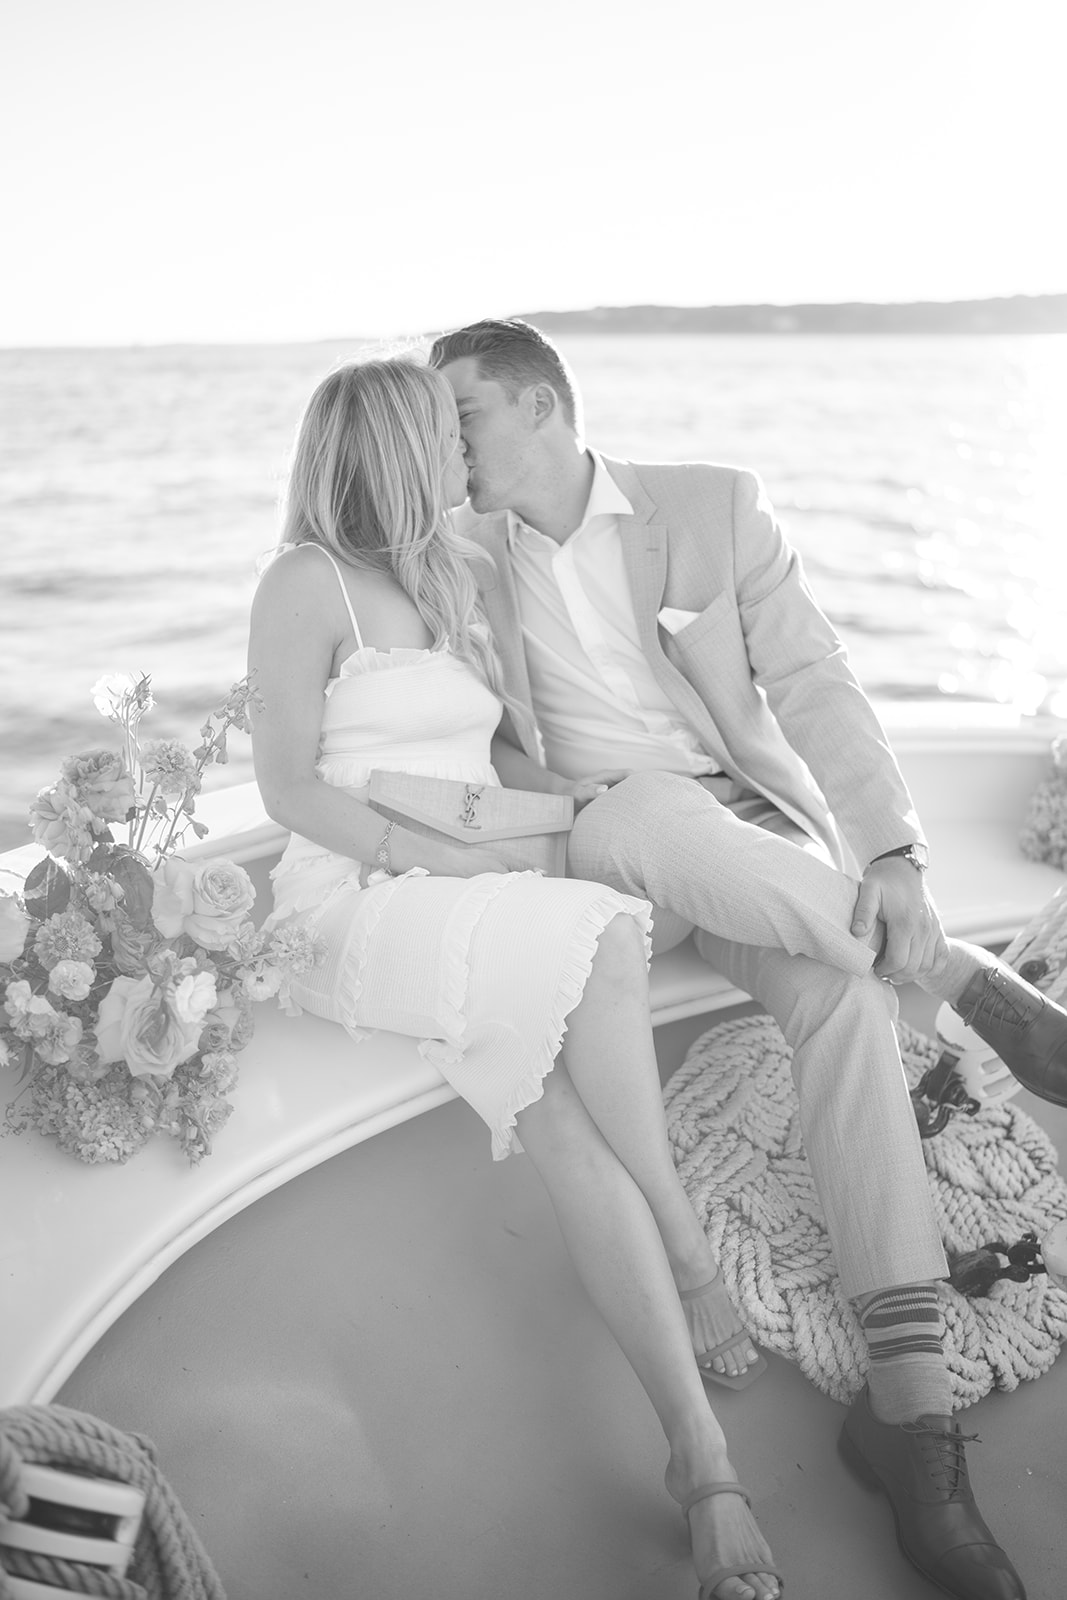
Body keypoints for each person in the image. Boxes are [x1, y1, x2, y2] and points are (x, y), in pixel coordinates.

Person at [430, 317, 1067, 1600]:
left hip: (752, 842)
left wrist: (889, 851)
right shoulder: (451, 557)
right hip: (598, 840)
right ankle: (958, 979)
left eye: (462, 417)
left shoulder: (712, 508)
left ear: (542, 407)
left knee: (838, 997)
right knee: (645, 808)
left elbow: (813, 679)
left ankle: (912, 1426)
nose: (443, 446)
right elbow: (465, 741)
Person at [247, 355, 784, 1600]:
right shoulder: (303, 581)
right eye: (441, 436)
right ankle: (690, 1250)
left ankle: (700, 1463)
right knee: (595, 931)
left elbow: (492, 754)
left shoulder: (446, 572)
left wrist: (586, 800)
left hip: (460, 876)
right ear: (387, 448)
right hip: (352, 893)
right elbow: (284, 788)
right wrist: (425, 856)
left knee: (556, 1114)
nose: (461, 457)